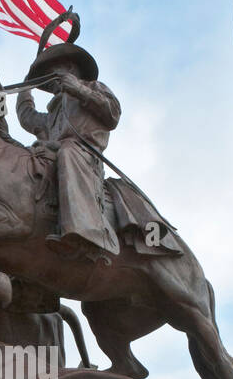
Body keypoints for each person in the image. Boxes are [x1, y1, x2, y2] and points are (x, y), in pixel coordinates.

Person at [17, 14, 181, 264]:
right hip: (53, 154)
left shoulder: (94, 87)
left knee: (68, 151)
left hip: (84, 157)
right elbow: (28, 118)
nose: (52, 78)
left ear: (71, 69)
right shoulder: (52, 114)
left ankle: (86, 234)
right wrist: (25, 88)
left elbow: (112, 114)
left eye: (54, 71)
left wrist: (78, 90)